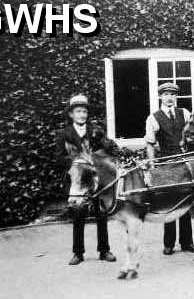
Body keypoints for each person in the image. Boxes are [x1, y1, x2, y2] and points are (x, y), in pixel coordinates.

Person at [55, 94, 118, 265]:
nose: (82, 115)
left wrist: (106, 143)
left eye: (84, 111)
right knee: (78, 214)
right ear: (71, 114)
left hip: (96, 179)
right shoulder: (64, 134)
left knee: (101, 213)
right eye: (78, 111)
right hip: (78, 180)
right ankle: (78, 252)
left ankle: (104, 250)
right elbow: (58, 157)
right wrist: (78, 161)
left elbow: (108, 149)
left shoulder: (95, 130)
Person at [144, 83, 194, 256]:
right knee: (170, 201)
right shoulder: (153, 118)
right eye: (166, 94)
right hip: (167, 164)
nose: (169, 98)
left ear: (176, 97)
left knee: (186, 199)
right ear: (160, 97)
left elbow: (193, 134)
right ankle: (168, 243)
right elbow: (150, 144)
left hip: (185, 163)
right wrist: (152, 166)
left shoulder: (184, 113)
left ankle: (187, 242)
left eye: (172, 95)